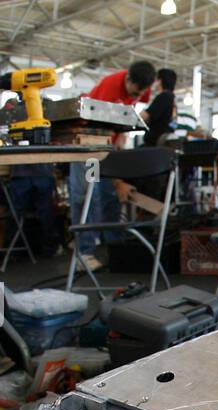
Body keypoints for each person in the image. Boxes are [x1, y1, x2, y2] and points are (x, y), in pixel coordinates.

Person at [68, 61, 156, 265]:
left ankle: (116, 248)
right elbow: (99, 134)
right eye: (135, 91)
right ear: (127, 79)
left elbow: (125, 122)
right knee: (86, 195)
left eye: (141, 93)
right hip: (87, 142)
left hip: (110, 141)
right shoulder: (109, 90)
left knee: (109, 196)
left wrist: (121, 143)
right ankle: (84, 252)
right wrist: (117, 178)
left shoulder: (142, 86)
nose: (138, 96)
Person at [141, 68, 177, 147]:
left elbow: (145, 116)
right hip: (163, 143)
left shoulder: (164, 96)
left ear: (160, 81)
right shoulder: (172, 98)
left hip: (154, 144)